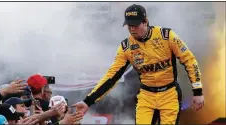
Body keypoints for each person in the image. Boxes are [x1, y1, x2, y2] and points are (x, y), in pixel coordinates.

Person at [72, 4, 205, 124]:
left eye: (135, 25)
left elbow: (190, 60)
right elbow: (111, 77)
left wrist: (197, 91)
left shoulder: (167, 36)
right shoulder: (126, 47)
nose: (132, 29)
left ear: (145, 22)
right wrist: (87, 101)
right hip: (146, 96)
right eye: (129, 25)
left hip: (170, 94)